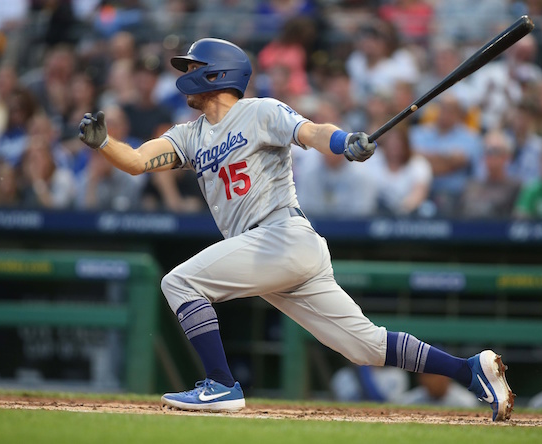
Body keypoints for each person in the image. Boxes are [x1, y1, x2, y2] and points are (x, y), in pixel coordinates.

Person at [78, 37, 513, 421]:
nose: (186, 74)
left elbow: (312, 131)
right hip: (269, 252)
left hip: (281, 235)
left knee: (179, 282)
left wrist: (344, 141)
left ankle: (221, 384)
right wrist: (104, 143)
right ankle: (470, 369)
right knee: (364, 346)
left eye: (192, 66)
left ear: (217, 72)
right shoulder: (189, 135)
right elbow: (136, 162)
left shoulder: (260, 111)